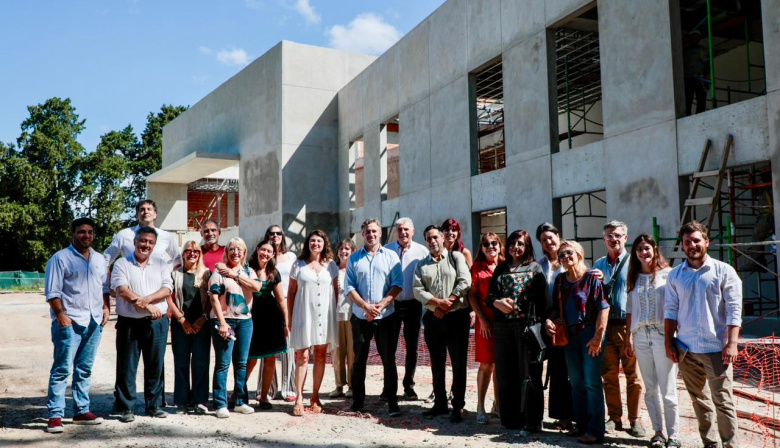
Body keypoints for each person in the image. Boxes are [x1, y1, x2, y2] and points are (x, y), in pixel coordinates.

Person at [665, 221, 742, 448]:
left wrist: (732, 343)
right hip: (686, 350)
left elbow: (734, 310)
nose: (692, 245)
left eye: (696, 240)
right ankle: (710, 444)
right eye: (687, 242)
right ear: (683, 245)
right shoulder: (676, 275)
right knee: (699, 401)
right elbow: (670, 311)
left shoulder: (724, 271)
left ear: (706, 242)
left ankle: (730, 445)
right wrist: (669, 343)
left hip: (716, 349)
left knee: (723, 401)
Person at [44, 217, 109, 433]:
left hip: (94, 321)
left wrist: (106, 308)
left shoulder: (99, 259)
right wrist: (60, 315)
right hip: (70, 321)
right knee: (62, 369)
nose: (86, 236)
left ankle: (81, 410)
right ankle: (55, 415)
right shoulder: (60, 258)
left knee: (84, 369)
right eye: (81, 232)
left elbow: (105, 288)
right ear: (72, 233)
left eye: (90, 232)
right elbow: (52, 291)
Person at [545, 240, 610, 444]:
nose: (565, 257)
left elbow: (604, 308)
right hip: (569, 337)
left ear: (579, 254)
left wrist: (598, 337)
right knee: (576, 383)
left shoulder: (592, 277)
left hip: (590, 334)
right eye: (561, 255)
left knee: (591, 383)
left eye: (569, 253)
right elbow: (555, 309)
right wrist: (549, 320)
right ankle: (581, 426)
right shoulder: (561, 280)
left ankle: (596, 431)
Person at [486, 230, 547, 433]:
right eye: (512, 243)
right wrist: (498, 302)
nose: (516, 247)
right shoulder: (501, 268)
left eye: (520, 243)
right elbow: (490, 296)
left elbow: (543, 300)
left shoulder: (535, 268)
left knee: (529, 374)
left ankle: (532, 420)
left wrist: (528, 311)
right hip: (503, 328)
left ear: (527, 246)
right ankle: (510, 419)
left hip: (526, 328)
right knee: (506, 373)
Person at [112, 227, 174, 423]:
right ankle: (126, 407)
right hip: (129, 322)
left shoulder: (161, 263)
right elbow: (122, 290)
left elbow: (167, 289)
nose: (146, 245)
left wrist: (146, 300)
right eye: (143, 241)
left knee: (155, 364)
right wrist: (148, 306)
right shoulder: (122, 263)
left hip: (157, 322)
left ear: (154, 245)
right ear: (135, 242)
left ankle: (153, 405)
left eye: (150, 242)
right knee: (127, 366)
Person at [624, 234, 679, 448]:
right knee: (650, 388)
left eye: (646, 248)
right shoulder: (633, 277)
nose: (643, 252)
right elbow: (630, 310)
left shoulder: (669, 274)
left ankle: (673, 435)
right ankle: (658, 432)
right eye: (639, 249)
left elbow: (676, 306)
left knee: (668, 388)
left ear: (654, 249)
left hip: (663, 335)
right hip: (640, 336)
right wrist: (628, 339)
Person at [345, 218, 403, 416]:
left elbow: (397, 284)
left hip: (386, 317)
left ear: (380, 233)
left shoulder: (391, 256)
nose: (371, 234)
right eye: (367, 232)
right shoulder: (354, 259)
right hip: (360, 317)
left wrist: (380, 306)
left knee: (389, 361)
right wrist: (366, 307)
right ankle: (358, 402)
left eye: (374, 231)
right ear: (362, 235)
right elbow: (349, 287)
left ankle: (392, 403)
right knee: (359, 361)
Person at [413, 225, 471, 423]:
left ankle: (458, 405)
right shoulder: (422, 265)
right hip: (434, 318)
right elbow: (418, 290)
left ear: (443, 238)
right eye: (428, 238)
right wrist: (438, 303)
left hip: (456, 318)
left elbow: (465, 281)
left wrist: (449, 303)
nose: (432, 241)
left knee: (458, 363)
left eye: (435, 237)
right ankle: (440, 403)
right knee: (437, 363)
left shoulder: (456, 257)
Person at [593, 220, 644, 437]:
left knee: (634, 376)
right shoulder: (598, 264)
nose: (613, 239)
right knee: (609, 375)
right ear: (604, 239)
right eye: (609, 235)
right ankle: (614, 417)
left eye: (617, 235)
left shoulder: (635, 262)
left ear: (625, 238)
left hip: (628, 324)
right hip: (605, 325)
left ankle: (635, 419)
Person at [288, 230, 340, 416]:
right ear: (307, 243)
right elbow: (291, 292)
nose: (315, 244)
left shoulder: (331, 265)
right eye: (312, 240)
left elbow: (336, 291)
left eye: (319, 241)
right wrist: (290, 318)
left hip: (324, 316)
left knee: (320, 355)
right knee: (302, 356)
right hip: (304, 315)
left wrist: (334, 317)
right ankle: (299, 398)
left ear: (324, 244)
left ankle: (315, 397)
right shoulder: (298, 264)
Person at [209, 237, 261, 418]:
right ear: (227, 252)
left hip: (245, 322)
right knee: (223, 363)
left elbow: (256, 287)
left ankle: (240, 401)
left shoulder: (248, 271)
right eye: (232, 249)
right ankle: (220, 404)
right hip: (225, 321)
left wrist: (235, 275)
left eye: (239, 249)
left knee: (241, 363)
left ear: (244, 253)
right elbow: (214, 298)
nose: (235, 252)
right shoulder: (219, 271)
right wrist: (222, 323)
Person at [384, 217, 428, 401]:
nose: (403, 232)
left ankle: (409, 386)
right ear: (396, 231)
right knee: (389, 347)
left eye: (406, 229)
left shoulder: (422, 251)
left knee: (412, 347)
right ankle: (389, 387)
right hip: (392, 305)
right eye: (400, 229)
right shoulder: (386, 250)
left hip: (413, 304)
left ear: (413, 231)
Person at [535, 222, 573, 430]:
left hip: (569, 321)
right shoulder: (539, 265)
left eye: (551, 237)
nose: (548, 242)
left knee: (571, 371)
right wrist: (545, 320)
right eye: (543, 240)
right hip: (547, 321)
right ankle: (560, 416)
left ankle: (574, 415)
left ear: (558, 236)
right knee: (556, 370)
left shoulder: (569, 257)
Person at [167, 241, 212, 415]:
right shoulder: (175, 274)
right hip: (181, 324)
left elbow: (212, 299)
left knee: (201, 363)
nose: (192, 254)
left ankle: (200, 400)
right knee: (181, 363)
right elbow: (169, 298)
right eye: (188, 250)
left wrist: (203, 318)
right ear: (183, 254)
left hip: (202, 324)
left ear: (200, 254)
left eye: (196, 251)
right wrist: (181, 319)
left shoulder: (206, 274)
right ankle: (181, 401)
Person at [246, 239, 288, 410]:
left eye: (269, 251)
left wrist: (286, 322)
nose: (265, 253)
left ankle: (264, 397)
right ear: (257, 250)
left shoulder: (273, 272)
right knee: (250, 359)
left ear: (273, 254)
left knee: (270, 358)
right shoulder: (247, 268)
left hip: (271, 318)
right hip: (251, 317)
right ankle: (238, 393)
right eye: (263, 249)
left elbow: (280, 299)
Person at [257, 225, 297, 402]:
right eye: (271, 233)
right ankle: (267, 389)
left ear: (283, 236)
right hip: (267, 304)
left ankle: (289, 388)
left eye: (278, 233)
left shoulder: (291, 257)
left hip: (287, 302)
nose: (275, 236)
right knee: (266, 348)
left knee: (288, 346)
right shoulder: (264, 255)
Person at [468, 232, 504, 424]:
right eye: (486, 244)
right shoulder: (477, 267)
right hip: (485, 322)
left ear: (500, 245)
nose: (491, 246)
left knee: (501, 365)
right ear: (481, 248)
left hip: (504, 322)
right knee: (486, 364)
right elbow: (472, 295)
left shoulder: (506, 265)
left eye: (494, 243)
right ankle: (480, 406)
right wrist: (481, 319)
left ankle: (498, 406)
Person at [104, 199, 182, 268]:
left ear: (155, 215)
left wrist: (175, 275)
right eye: (142, 209)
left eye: (149, 209)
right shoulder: (124, 235)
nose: (146, 211)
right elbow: (107, 258)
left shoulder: (165, 236)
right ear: (137, 215)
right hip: (130, 279)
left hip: (157, 279)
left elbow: (178, 258)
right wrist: (108, 277)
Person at [329, 239, 357, 399]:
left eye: (347, 249)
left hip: (353, 316)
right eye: (341, 248)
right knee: (337, 353)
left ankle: (352, 386)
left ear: (353, 251)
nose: (344, 251)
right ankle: (339, 385)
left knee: (352, 353)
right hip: (335, 316)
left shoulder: (355, 269)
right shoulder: (332, 269)